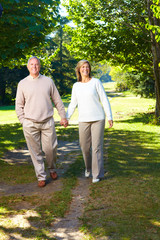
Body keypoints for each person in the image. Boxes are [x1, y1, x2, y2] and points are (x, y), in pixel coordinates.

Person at [16, 56, 68, 187]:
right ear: (28, 67)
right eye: (32, 64)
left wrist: (63, 116)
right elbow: (19, 105)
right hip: (30, 123)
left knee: (50, 149)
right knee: (35, 151)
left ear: (40, 66)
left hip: (47, 121)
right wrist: (23, 121)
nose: (34, 67)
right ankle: (41, 176)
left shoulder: (48, 81)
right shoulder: (22, 83)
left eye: (37, 64)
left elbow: (57, 100)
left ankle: (52, 168)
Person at [66, 59, 113, 183]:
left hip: (98, 118)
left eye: (87, 67)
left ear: (89, 69)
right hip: (83, 120)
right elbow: (73, 104)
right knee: (85, 147)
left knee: (96, 147)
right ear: (79, 70)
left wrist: (110, 116)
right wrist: (66, 117)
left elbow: (104, 99)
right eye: (83, 67)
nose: (85, 69)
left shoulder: (96, 82)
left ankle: (96, 174)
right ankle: (88, 168)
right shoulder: (76, 86)